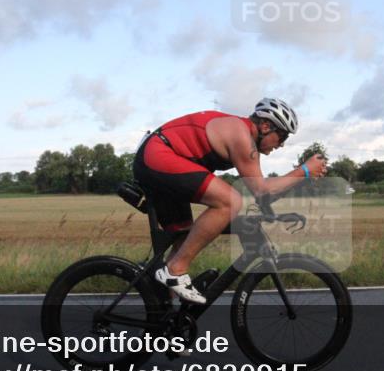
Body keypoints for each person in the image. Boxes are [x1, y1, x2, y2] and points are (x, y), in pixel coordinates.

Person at [132, 98, 327, 303]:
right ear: (266, 126)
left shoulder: (247, 142)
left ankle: (165, 317)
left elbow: (261, 195)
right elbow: (261, 190)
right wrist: (304, 171)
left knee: (184, 240)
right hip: (157, 155)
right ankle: (175, 270)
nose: (282, 144)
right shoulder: (241, 137)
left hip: (161, 160)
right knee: (230, 201)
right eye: (282, 136)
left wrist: (276, 215)